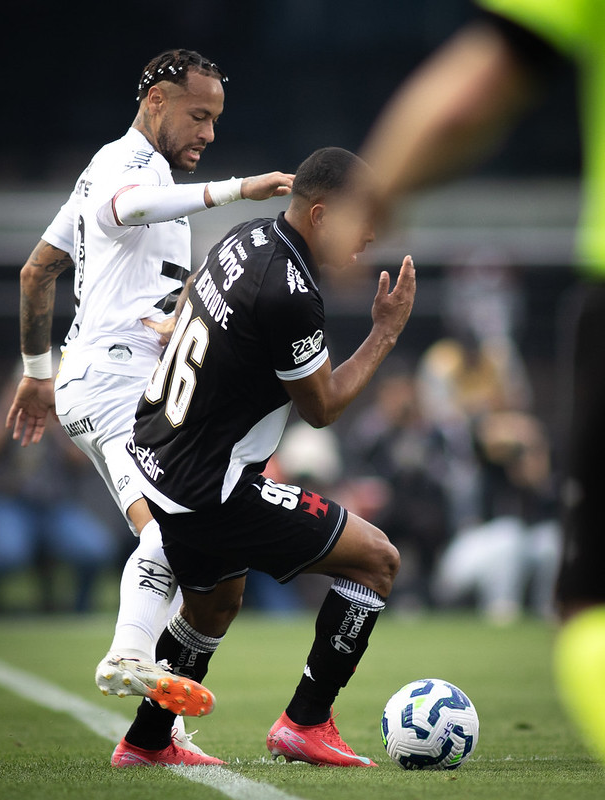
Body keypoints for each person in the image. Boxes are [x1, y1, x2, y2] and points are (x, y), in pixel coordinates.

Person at [332, 0, 605, 763]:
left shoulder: (486, 372)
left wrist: (370, 196)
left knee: (587, 607)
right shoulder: (448, 378)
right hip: (453, 539)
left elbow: (475, 89)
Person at [5, 47, 293, 760]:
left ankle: (158, 730)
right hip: (114, 384)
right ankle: (130, 654)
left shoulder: (134, 171)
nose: (209, 133)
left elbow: (38, 270)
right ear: (157, 101)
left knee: (183, 536)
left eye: (217, 120)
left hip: (101, 376)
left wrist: (38, 372)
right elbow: (126, 209)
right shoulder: (127, 167)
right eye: (199, 115)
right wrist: (239, 190)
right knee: (174, 531)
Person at [111, 146, 415, 768]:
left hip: (162, 460)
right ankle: (306, 722)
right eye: (361, 222)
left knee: (215, 605)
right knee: (377, 561)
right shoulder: (289, 290)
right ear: (324, 214)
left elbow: (200, 289)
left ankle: (145, 741)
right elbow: (322, 407)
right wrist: (384, 332)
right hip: (211, 488)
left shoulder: (247, 235)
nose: (369, 237)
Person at [0, 369, 116, 614]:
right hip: (6, 503)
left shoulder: (63, 414)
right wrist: (8, 409)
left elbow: (81, 459)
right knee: (6, 552)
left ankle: (79, 612)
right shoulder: (7, 410)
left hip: (55, 508)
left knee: (95, 548)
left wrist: (57, 421)